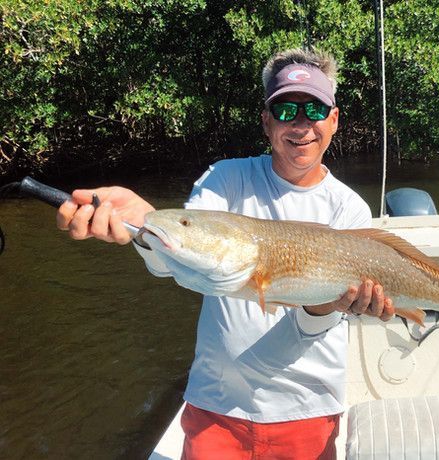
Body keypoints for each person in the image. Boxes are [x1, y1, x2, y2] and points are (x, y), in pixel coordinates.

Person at [56, 47, 394, 459]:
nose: (301, 124)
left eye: (315, 110)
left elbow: (311, 328)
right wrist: (144, 225)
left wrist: (330, 308)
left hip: (306, 408)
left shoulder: (349, 209)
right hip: (216, 406)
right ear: (267, 121)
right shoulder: (226, 179)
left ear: (335, 119)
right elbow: (180, 261)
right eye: (286, 110)